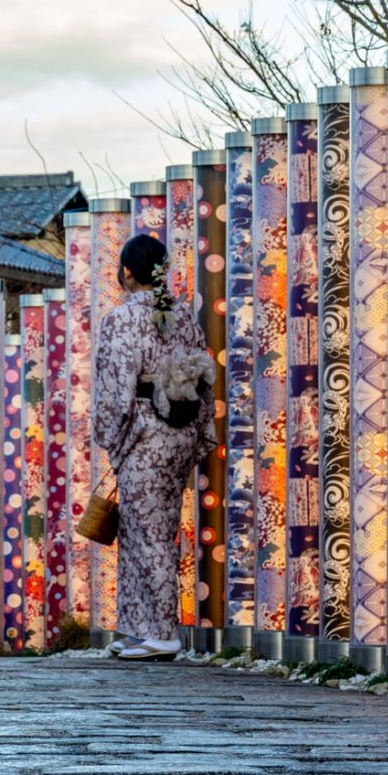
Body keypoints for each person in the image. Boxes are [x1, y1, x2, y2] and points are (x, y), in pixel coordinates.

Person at [90, 233, 217, 660]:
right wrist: (202, 432)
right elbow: (201, 379)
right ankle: (138, 627)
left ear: (126, 273)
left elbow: (115, 387)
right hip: (178, 431)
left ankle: (162, 631)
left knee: (148, 533)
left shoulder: (121, 319)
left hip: (144, 430)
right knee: (147, 528)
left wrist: (109, 434)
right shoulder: (183, 316)